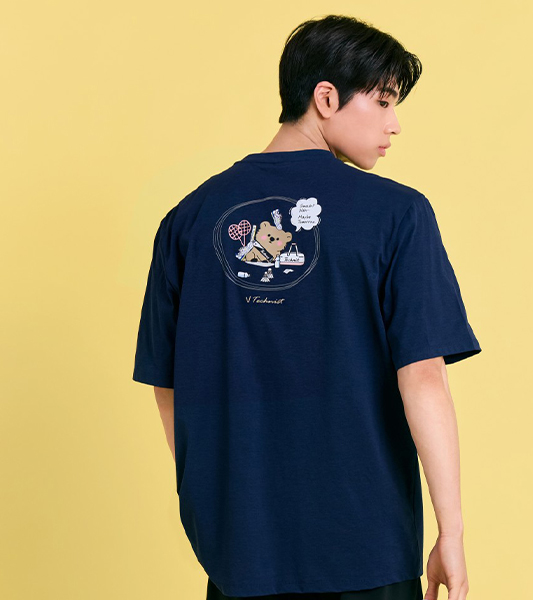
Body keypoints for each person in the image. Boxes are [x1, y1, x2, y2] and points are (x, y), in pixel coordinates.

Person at [132, 14, 481, 600]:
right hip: (367, 542)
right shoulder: (398, 214)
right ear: (326, 98)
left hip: (240, 551)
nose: (394, 124)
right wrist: (452, 530)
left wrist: (217, 504)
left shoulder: (186, 220)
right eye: (383, 101)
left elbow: (167, 385)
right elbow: (423, 376)